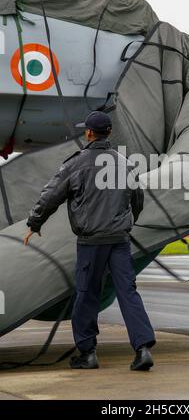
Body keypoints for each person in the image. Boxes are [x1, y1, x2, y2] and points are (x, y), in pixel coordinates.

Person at [24, 111, 156, 370]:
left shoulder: (76, 163)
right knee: (128, 292)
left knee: (86, 294)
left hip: (91, 240)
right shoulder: (126, 163)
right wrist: (126, 224)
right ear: (109, 133)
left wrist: (34, 222)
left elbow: (51, 195)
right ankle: (142, 349)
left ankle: (88, 352)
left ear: (88, 133)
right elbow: (137, 200)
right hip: (119, 239)